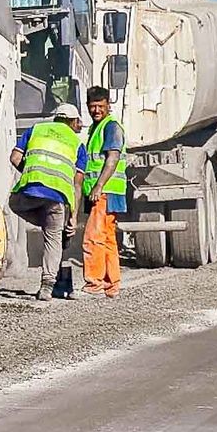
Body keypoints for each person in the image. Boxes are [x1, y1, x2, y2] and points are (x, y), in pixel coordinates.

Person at [9, 103, 87, 302]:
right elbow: (77, 186)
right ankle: (47, 286)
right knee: (54, 238)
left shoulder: (36, 129)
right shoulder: (78, 145)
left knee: (13, 203)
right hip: (58, 197)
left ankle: (51, 225)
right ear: (73, 121)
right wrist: (74, 217)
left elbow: (15, 157)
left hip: (30, 190)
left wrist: (31, 171)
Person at [82, 85, 128, 298]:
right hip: (110, 192)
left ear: (109, 105)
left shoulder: (111, 127)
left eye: (100, 106)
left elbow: (113, 158)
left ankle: (94, 284)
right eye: (92, 107)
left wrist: (98, 186)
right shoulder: (95, 129)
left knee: (93, 237)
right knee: (108, 238)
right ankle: (111, 285)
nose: (96, 111)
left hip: (106, 191)